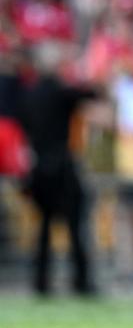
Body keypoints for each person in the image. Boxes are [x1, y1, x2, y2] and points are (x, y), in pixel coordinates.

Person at [16, 43, 97, 296]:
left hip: (38, 166)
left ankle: (41, 282)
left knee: (43, 228)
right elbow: (90, 94)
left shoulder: (28, 95)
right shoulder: (61, 92)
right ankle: (81, 281)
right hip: (62, 166)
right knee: (74, 225)